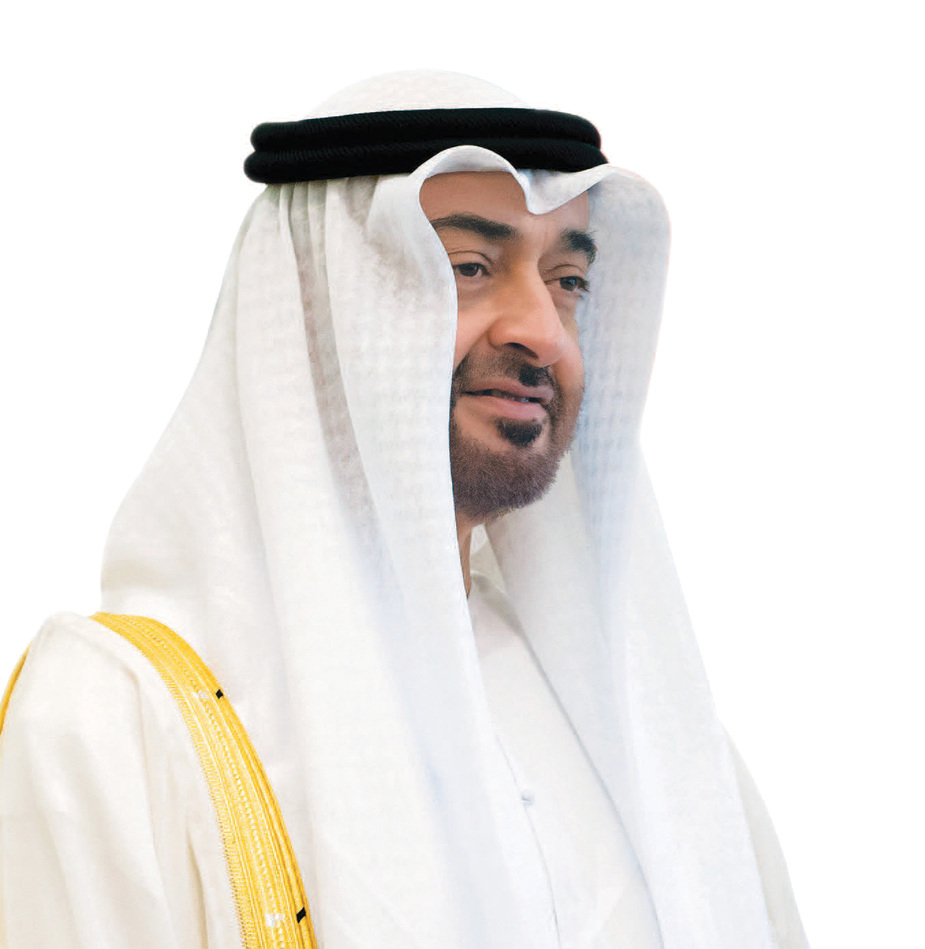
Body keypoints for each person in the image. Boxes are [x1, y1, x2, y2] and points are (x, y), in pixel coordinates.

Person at [0, 71, 806, 949]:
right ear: (319, 305)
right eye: (468, 269)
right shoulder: (117, 717)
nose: (543, 330)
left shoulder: (645, 728)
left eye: (568, 278)